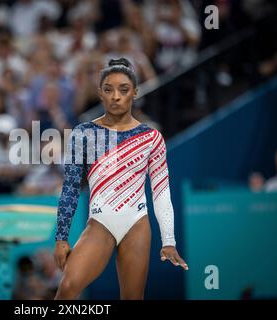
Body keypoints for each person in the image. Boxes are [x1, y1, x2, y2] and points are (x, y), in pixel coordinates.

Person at [53, 57, 188, 300]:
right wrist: (61, 237)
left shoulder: (151, 137)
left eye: (123, 90)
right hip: (100, 223)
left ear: (135, 93)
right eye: (109, 89)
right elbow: (71, 188)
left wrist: (168, 239)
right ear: (100, 94)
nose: (116, 96)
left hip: (136, 223)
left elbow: (160, 192)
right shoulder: (84, 133)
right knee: (68, 288)